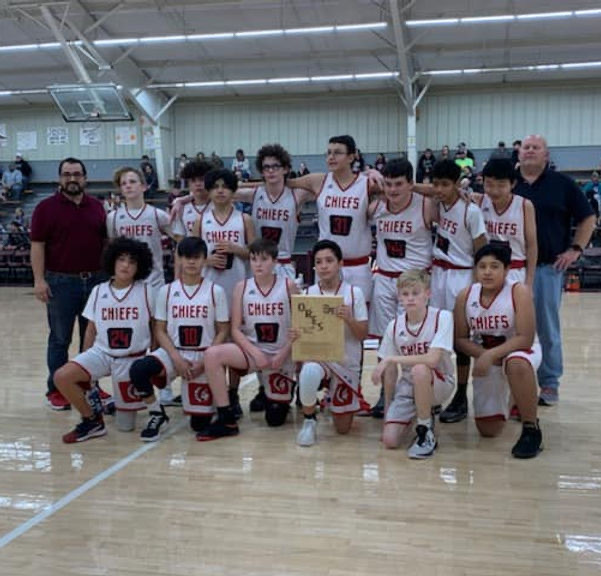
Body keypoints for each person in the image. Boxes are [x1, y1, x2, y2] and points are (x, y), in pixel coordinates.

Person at [514, 134, 595, 406]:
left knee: (546, 329)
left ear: (546, 155)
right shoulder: (506, 183)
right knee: (512, 329)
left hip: (547, 269)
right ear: (519, 153)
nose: (530, 151)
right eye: (526, 147)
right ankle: (514, 382)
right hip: (512, 270)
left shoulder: (563, 184)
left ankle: (549, 383)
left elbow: (588, 218)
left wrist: (576, 249)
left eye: (536, 148)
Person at [54, 237, 154, 443]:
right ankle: (92, 421)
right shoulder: (99, 290)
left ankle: (120, 403)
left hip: (131, 359)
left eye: (132, 261)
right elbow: (90, 329)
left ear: (140, 266)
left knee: (126, 427)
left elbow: (156, 327)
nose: (126, 265)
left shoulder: (147, 291)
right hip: (102, 353)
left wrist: (152, 361)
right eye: (121, 259)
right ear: (112, 261)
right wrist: (84, 362)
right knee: (62, 376)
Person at [129, 237, 230, 441]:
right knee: (138, 369)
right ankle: (157, 413)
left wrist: (205, 362)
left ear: (204, 260)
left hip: (202, 355)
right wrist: (175, 358)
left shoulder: (215, 291)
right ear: (179, 260)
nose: (191, 262)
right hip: (173, 351)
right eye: (186, 257)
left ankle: (208, 403)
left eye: (196, 258)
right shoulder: (167, 291)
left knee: (198, 425)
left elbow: (223, 330)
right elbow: (159, 329)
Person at [198, 238, 298, 440]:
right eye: (253, 259)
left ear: (275, 262)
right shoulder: (241, 287)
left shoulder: (289, 286)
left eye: (264, 259)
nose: (258, 264)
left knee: (275, 420)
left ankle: (287, 392)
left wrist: (284, 353)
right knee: (212, 355)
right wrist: (255, 353)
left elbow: (299, 328)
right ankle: (226, 417)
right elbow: (235, 330)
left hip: (281, 355)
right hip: (253, 352)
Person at [31, 157, 107, 410]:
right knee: (60, 339)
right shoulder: (45, 208)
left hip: (96, 281)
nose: (72, 179)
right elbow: (37, 246)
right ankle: (56, 389)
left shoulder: (97, 207)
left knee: (92, 340)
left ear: (85, 178)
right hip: (60, 283)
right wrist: (39, 280)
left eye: (76, 174)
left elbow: (106, 245)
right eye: (67, 174)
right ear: (59, 178)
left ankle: (89, 384)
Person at [454, 243, 544, 458]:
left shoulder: (518, 291)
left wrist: (490, 354)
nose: (487, 272)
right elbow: (460, 339)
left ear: (506, 270)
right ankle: (513, 395)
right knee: (488, 431)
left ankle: (531, 428)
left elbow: (525, 338)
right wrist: (482, 354)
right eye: (482, 266)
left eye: (494, 266)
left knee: (515, 364)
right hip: (487, 355)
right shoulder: (465, 296)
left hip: (520, 350)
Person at [368, 158, 434, 416]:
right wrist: (371, 175)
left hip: (416, 282)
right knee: (386, 345)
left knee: (417, 344)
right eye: (388, 184)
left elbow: (445, 194)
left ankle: (423, 394)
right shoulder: (377, 207)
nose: (392, 190)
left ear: (411, 184)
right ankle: (387, 396)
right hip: (384, 279)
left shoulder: (426, 206)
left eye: (399, 184)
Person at [107, 166, 178, 405]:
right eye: (124, 183)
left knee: (158, 334)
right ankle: (133, 383)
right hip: (128, 285)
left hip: (154, 282)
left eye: (132, 181)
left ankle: (164, 384)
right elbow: (113, 250)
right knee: (135, 334)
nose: (128, 185)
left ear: (143, 186)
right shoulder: (114, 217)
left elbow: (181, 237)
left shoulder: (157, 215)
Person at [371, 270, 454, 458]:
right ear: (399, 297)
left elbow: (432, 360)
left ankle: (425, 431)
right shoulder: (394, 326)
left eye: (415, 293)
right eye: (405, 294)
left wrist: (391, 358)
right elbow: (390, 373)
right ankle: (418, 415)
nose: (410, 298)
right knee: (390, 441)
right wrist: (388, 412)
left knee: (420, 369)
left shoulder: (443, 317)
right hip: (409, 386)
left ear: (427, 293)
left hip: (439, 382)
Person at [193, 168, 255, 417]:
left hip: (238, 288)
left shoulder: (244, 220)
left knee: (235, 342)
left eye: (225, 186)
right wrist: (207, 261)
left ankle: (233, 392)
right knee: (213, 341)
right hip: (210, 290)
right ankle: (214, 391)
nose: (220, 190)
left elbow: (255, 253)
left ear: (233, 191)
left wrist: (235, 248)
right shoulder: (201, 220)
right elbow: (192, 256)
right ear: (208, 190)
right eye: (215, 186)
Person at [429, 159, 487, 424]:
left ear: (456, 184)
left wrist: (479, 290)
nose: (439, 190)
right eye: (436, 184)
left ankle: (462, 396)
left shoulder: (471, 211)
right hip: (439, 274)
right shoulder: (439, 203)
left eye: (444, 185)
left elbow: (481, 253)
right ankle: (438, 391)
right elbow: (418, 188)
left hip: (461, 275)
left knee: (460, 341)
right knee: (437, 338)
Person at [288, 135, 377, 306]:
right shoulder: (318, 180)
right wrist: (234, 186)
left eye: (337, 153)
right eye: (328, 153)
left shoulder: (368, 184)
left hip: (358, 266)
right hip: (326, 267)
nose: (331, 157)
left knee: (358, 323)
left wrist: (376, 172)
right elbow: (280, 183)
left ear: (351, 156)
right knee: (324, 322)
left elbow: (403, 187)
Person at [295, 240, 369, 447]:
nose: (324, 266)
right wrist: (296, 335)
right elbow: (302, 337)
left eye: (329, 261)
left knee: (343, 430)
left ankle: (331, 399)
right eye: (319, 262)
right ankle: (309, 420)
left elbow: (363, 335)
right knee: (308, 371)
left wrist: (349, 319)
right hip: (319, 358)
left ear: (340, 264)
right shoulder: (307, 294)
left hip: (345, 361)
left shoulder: (354, 294)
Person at [471, 158, 537, 286]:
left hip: (515, 271)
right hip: (487, 272)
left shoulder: (524, 205)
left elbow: (532, 246)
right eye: (489, 184)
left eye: (501, 185)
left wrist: (529, 282)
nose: (494, 190)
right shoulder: (478, 201)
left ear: (513, 184)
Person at [172, 160, 213, 239]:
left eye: (202, 179)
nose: (198, 184)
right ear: (188, 184)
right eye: (193, 180)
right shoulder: (182, 209)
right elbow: (180, 239)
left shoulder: (219, 206)